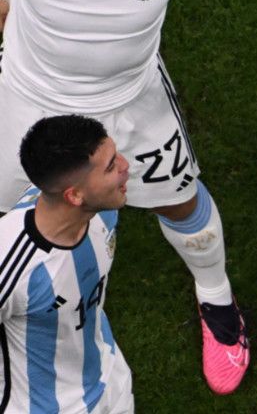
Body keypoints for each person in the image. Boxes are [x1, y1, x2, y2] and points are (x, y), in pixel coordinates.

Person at [0, 0, 251, 394]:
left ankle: (216, 299)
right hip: (27, 102)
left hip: (131, 103)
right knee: (5, 215)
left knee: (179, 200)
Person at [1, 116, 134, 414]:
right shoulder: (11, 264)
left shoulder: (104, 211)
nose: (126, 166)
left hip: (112, 381)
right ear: (74, 195)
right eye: (111, 167)